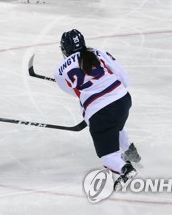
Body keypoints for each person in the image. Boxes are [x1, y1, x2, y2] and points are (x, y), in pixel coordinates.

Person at [53, 29, 141, 191]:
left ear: (65, 49)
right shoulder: (99, 53)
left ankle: (125, 169)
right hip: (123, 100)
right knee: (116, 126)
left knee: (108, 157)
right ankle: (129, 151)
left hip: (100, 111)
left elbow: (75, 93)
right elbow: (124, 78)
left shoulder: (59, 71)